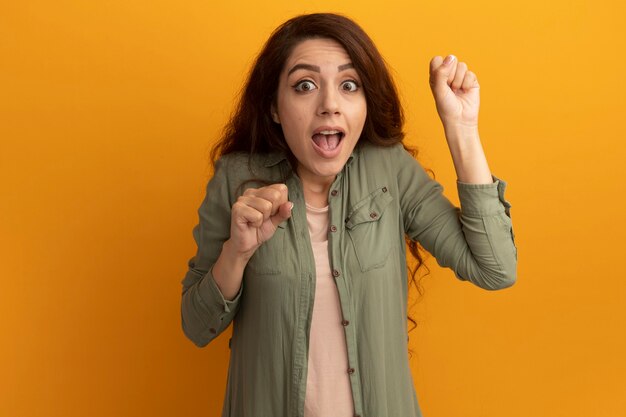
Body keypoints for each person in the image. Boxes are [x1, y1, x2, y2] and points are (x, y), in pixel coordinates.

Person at [180, 12, 517, 417]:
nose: (329, 105)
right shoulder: (236, 179)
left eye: (348, 85)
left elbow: (496, 268)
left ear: (364, 101)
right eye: (305, 86)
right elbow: (197, 327)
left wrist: (461, 128)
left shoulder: (389, 171)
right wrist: (236, 252)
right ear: (273, 106)